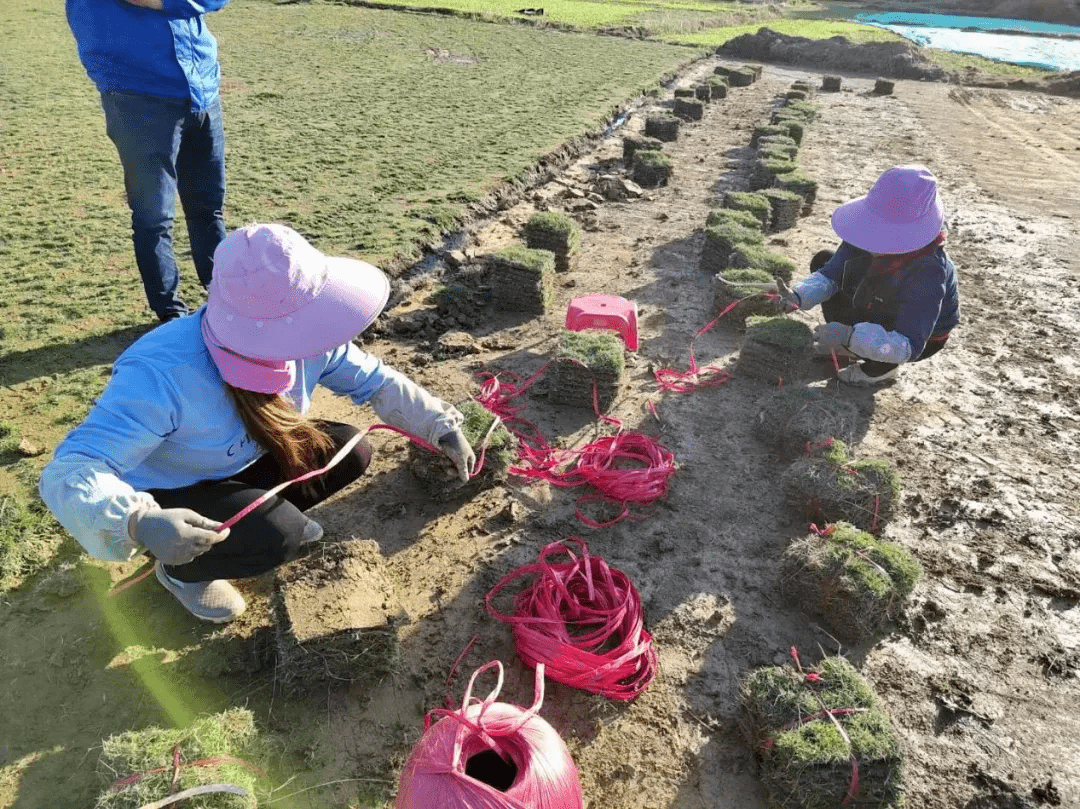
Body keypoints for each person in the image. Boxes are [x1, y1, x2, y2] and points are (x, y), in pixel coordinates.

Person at [40, 224, 476, 622]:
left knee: (350, 448)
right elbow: (71, 471)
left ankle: (255, 519)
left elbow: (375, 381)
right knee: (277, 538)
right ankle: (183, 572)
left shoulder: (311, 337)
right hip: (177, 491)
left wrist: (438, 424)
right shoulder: (161, 372)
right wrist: (139, 521)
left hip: (246, 459)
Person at [66, 0, 230, 323]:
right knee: (154, 217)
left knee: (208, 208)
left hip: (200, 86)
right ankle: (170, 315)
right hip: (139, 94)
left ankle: (228, 299)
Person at [779, 164, 960, 386]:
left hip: (918, 336)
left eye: (888, 233)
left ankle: (880, 368)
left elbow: (909, 344)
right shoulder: (865, 232)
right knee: (824, 259)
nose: (876, 239)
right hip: (881, 301)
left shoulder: (928, 270)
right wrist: (798, 297)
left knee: (882, 298)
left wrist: (849, 336)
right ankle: (850, 346)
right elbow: (831, 272)